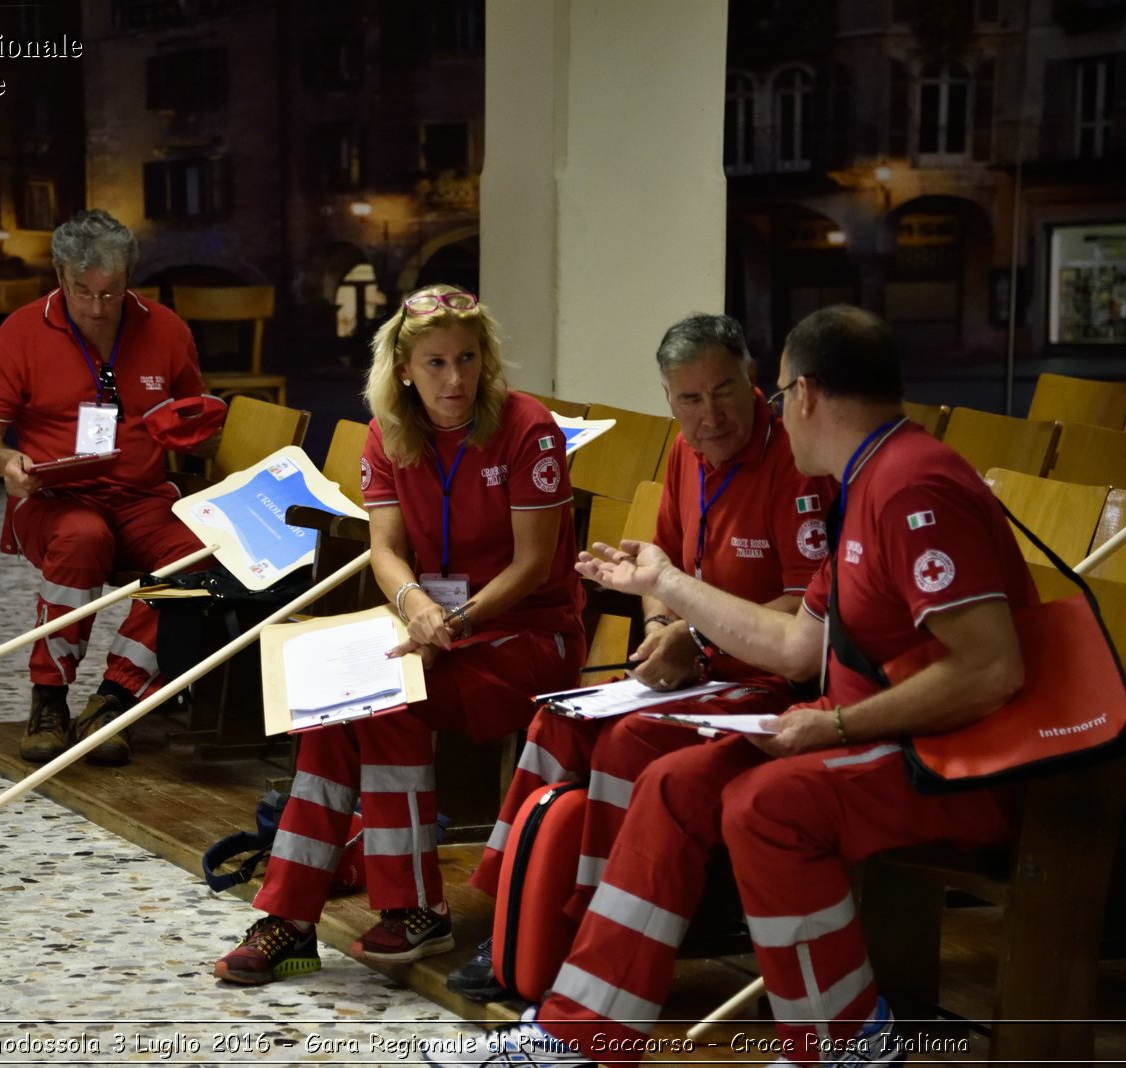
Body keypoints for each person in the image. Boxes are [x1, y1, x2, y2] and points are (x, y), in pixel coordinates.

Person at [425, 305, 1039, 1068]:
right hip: (863, 729)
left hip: (954, 759)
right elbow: (794, 644)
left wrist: (837, 728)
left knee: (765, 806)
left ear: (804, 394)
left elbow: (990, 669)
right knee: (674, 783)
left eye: (773, 393)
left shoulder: (916, 486)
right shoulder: (867, 477)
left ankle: (843, 1042)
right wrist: (666, 587)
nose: (772, 412)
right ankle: (579, 1034)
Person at [447, 314, 835, 1001]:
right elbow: (656, 570)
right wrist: (660, 628)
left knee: (627, 741)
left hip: (769, 680)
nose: (710, 416)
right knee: (555, 721)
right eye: (689, 400)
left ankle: (585, 932)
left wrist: (698, 640)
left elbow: (806, 616)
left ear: (754, 382)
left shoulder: (795, 466)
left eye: (725, 392)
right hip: (700, 666)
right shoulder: (686, 454)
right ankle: (508, 915)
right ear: (668, 401)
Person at [214, 284, 586, 985]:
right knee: (334, 709)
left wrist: (456, 619)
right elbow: (385, 549)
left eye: (468, 359)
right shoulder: (390, 431)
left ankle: (417, 908)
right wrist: (417, 605)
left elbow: (535, 565)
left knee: (389, 703)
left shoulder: (526, 428)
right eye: (437, 362)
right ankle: (290, 920)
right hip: (436, 629)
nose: (455, 379)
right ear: (405, 368)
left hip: (526, 635)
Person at [0, 209, 223, 767]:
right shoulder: (20, 332)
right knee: (83, 539)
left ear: (130, 276)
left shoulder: (166, 328)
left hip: (141, 498)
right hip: (57, 501)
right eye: (83, 291)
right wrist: (8, 462)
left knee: (202, 554)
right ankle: (50, 698)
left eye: (111, 292)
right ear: (61, 277)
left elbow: (197, 424)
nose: (97, 307)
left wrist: (197, 436)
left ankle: (117, 700)